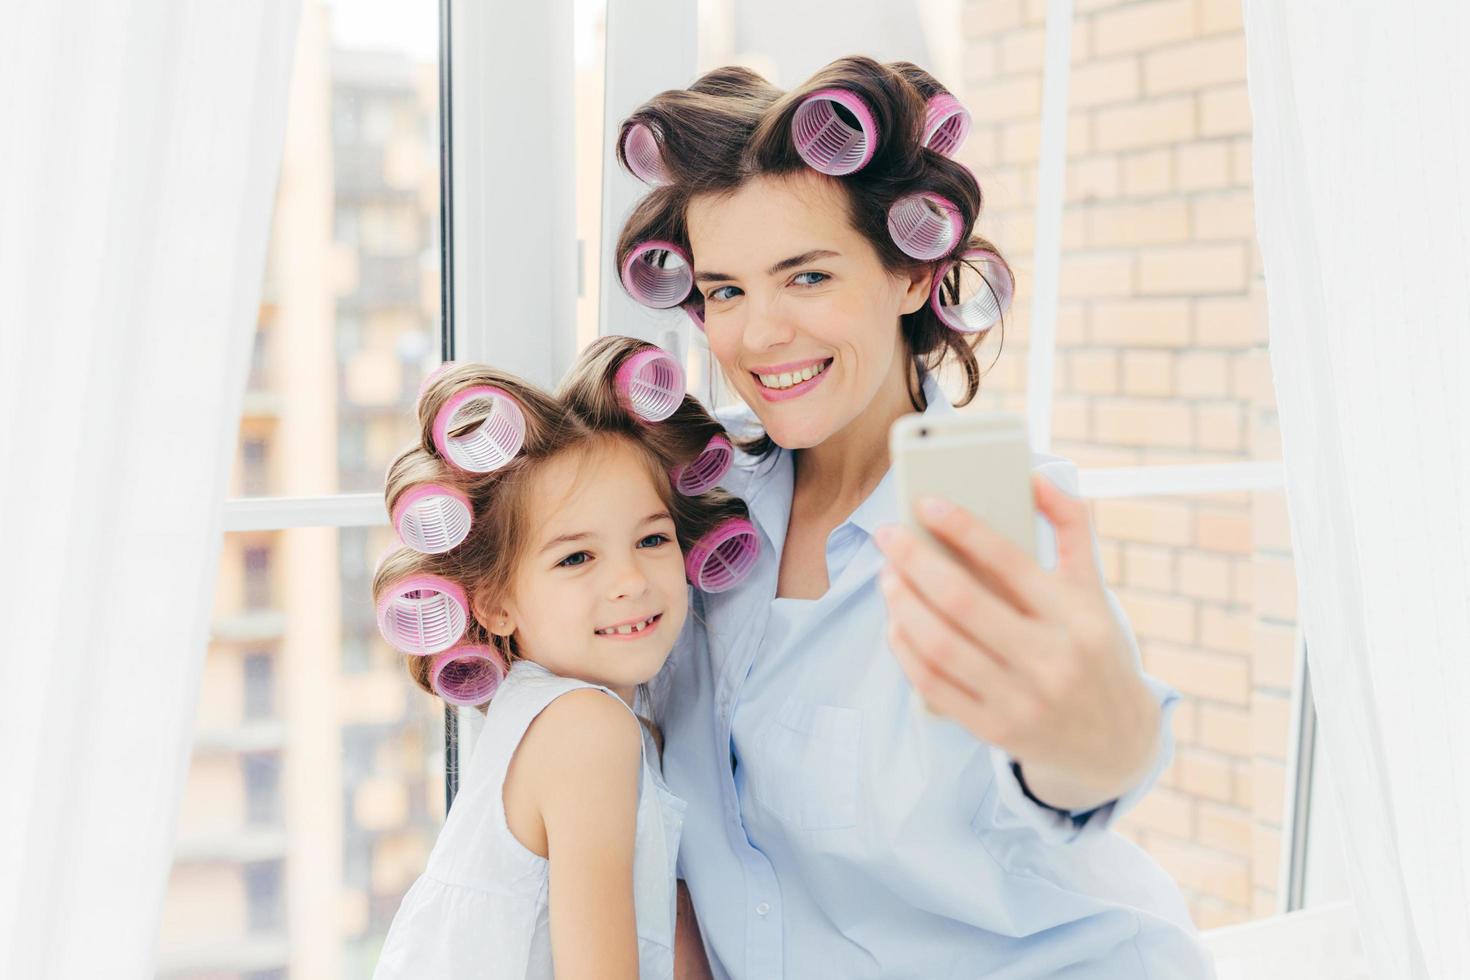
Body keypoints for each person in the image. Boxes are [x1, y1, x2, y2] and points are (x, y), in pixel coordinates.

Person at [616, 57, 1217, 977]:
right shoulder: (692, 506)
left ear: (906, 274)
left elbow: (1085, 768)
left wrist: (1097, 736)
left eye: (807, 277)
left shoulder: (989, 517)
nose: (758, 333)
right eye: (726, 289)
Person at [370, 336, 745, 979]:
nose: (629, 580)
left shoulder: (554, 713)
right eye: (576, 557)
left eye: (652, 538)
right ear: (493, 604)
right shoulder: (587, 730)